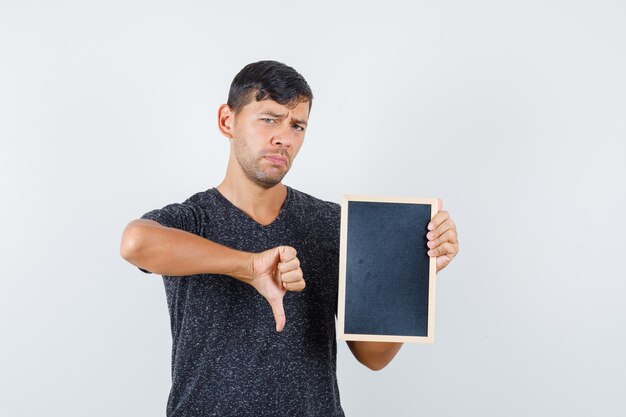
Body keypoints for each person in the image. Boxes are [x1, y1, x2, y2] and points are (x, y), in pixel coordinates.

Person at [120, 60, 459, 417]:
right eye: (268, 119)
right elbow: (135, 243)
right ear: (227, 120)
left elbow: (373, 356)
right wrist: (248, 266)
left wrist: (416, 269)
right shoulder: (191, 220)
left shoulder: (333, 223)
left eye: (297, 125)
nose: (283, 137)